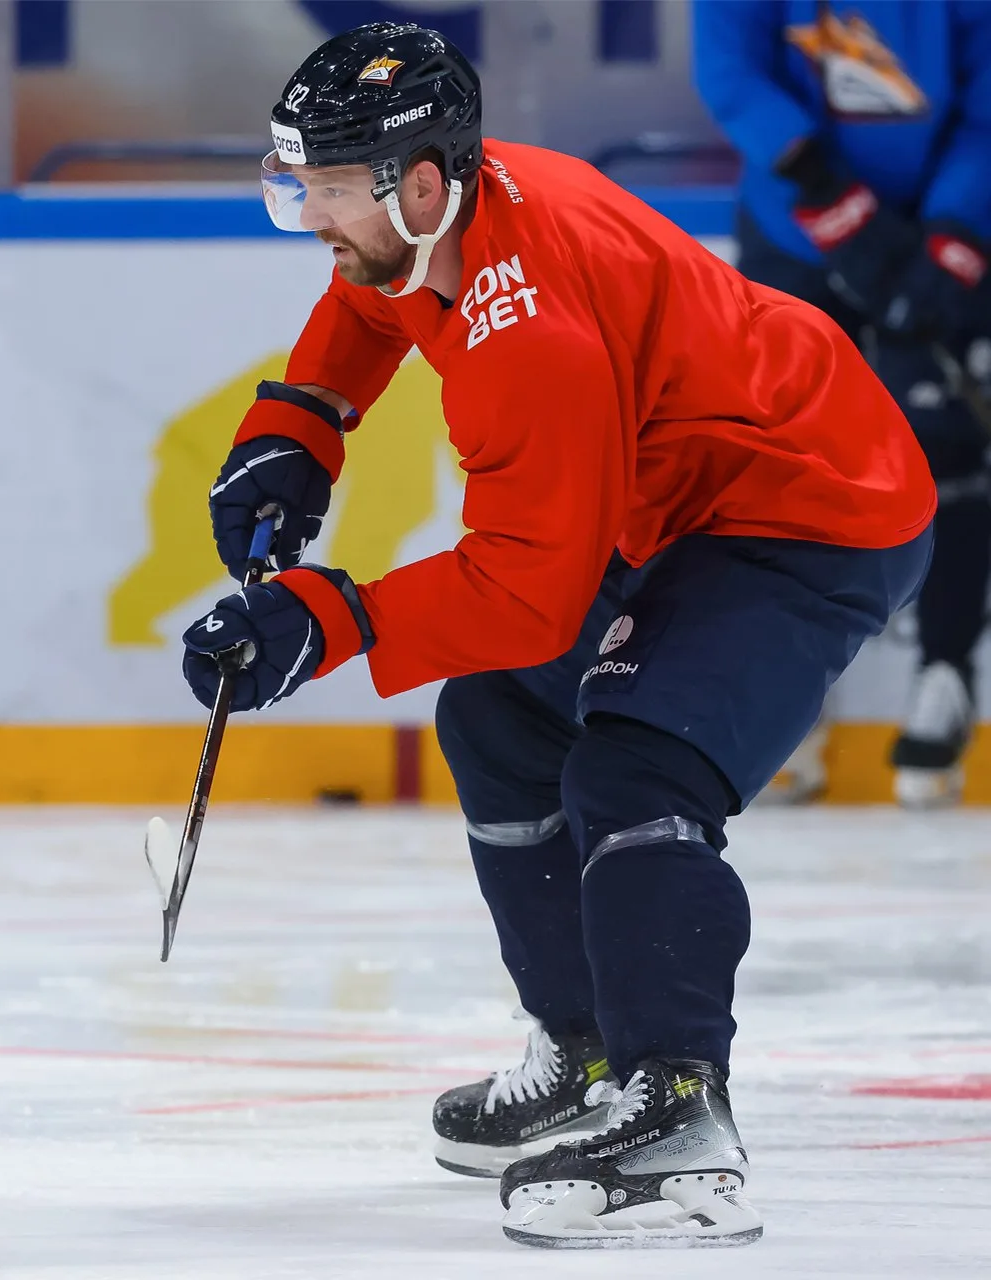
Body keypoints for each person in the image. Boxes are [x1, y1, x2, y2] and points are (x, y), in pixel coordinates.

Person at [180, 21, 934, 1248]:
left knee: (637, 764)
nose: (310, 217)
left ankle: (676, 1103)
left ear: (423, 184)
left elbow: (531, 587)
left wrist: (329, 616)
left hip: (809, 505)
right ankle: (585, 1050)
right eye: (296, 184)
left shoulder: (527, 336)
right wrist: (299, 420)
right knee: (499, 717)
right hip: (691, 493)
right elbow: (371, 293)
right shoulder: (448, 211)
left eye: (329, 189)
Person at [693, 0, 991, 807]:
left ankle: (945, 675)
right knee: (781, 458)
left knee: (945, 445)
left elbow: (986, 106)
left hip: (933, 227)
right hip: (794, 227)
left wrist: (953, 237)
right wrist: (826, 190)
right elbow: (730, 71)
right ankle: (782, 697)